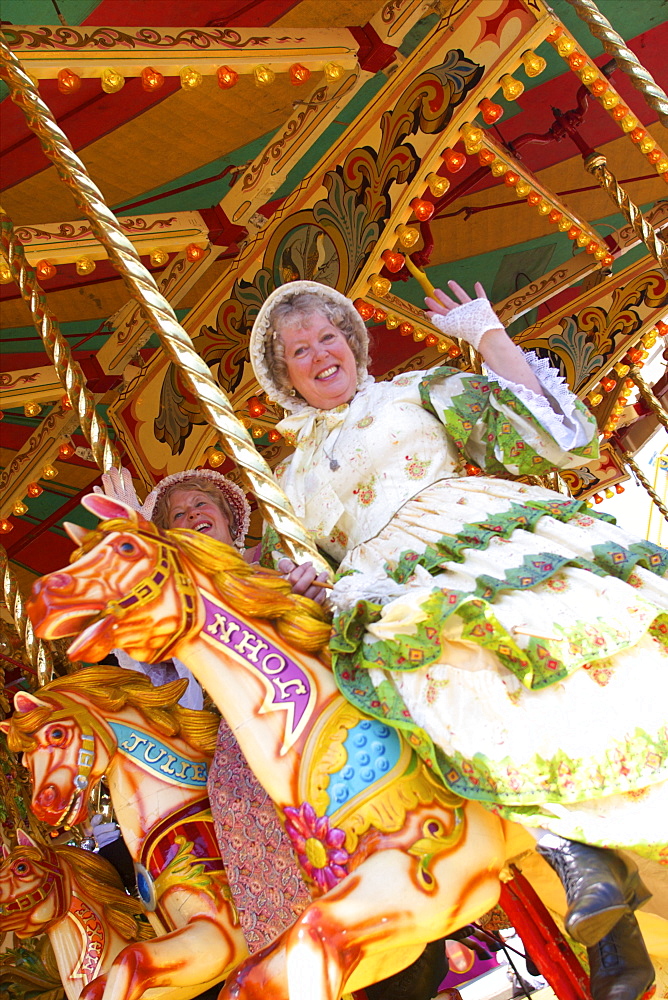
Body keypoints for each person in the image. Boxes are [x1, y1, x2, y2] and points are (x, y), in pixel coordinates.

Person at [249, 278, 667, 1000]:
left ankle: (589, 864)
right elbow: (303, 573)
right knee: (442, 695)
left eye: (328, 337)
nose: (320, 354)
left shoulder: (414, 392)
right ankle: (586, 882)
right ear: (285, 378)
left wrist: (487, 335)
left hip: (466, 540)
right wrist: (309, 580)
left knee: (533, 656)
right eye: (299, 350)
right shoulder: (285, 481)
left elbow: (556, 438)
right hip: (375, 589)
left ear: (352, 343)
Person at [96, 465, 446, 999]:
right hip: (241, 737)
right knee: (235, 788)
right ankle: (287, 929)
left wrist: (312, 595)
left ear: (233, 519)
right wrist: (134, 540)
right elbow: (144, 671)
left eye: (200, 506)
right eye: (177, 516)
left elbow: (336, 600)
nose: (192, 515)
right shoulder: (179, 607)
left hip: (314, 702)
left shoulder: (275, 565)